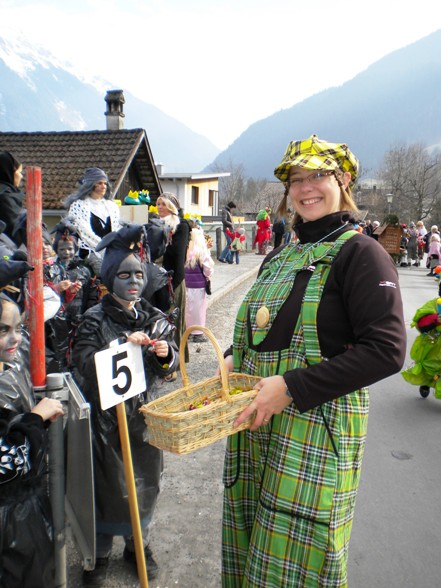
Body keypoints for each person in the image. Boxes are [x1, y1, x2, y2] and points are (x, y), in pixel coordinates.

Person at [219, 134, 406, 587]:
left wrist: (291, 387)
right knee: (253, 550)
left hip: (317, 433)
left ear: (343, 182)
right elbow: (265, 327)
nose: (305, 188)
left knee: (300, 562)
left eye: (318, 175)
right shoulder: (280, 256)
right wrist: (231, 356)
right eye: (296, 179)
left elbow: (387, 350)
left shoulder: (362, 254)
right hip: (258, 427)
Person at [70, 224, 179, 586]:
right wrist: (120, 346)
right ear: (109, 278)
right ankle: (98, 555)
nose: (133, 281)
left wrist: (164, 355)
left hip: (143, 420)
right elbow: (83, 363)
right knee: (105, 489)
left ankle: (137, 546)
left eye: (138, 274)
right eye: (124, 274)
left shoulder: (154, 317)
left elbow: (170, 365)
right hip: (103, 423)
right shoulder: (93, 319)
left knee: (143, 486)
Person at [0, 294, 64, 588]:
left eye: (18, 328)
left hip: (24, 514)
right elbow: (7, 463)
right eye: (3, 330)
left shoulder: (9, 368)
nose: (15, 338)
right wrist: (35, 419)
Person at [64, 167, 122, 277]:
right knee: (103, 271)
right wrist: (102, 246)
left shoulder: (112, 206)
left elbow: (116, 229)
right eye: (99, 183)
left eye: (105, 183)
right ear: (90, 184)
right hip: (88, 250)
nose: (103, 186)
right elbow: (82, 232)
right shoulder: (78, 205)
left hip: (111, 249)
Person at [156, 192, 190, 369]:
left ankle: (175, 362)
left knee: (173, 321)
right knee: (160, 320)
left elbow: (177, 254)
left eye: (163, 204)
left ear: (171, 206)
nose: (160, 207)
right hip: (157, 279)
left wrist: (172, 284)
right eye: (158, 203)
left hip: (173, 280)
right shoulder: (156, 225)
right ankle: (162, 359)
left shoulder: (181, 225)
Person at [184, 225, 214, 342]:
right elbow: (208, 269)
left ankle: (188, 332)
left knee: (187, 309)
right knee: (198, 310)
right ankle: (198, 333)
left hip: (186, 284)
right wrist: (209, 276)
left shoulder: (186, 250)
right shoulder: (201, 251)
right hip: (198, 285)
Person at [0, 151, 25, 245]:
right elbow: (14, 231)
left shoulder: (9, 193)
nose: (21, 176)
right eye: (19, 172)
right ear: (8, 172)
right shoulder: (5, 197)